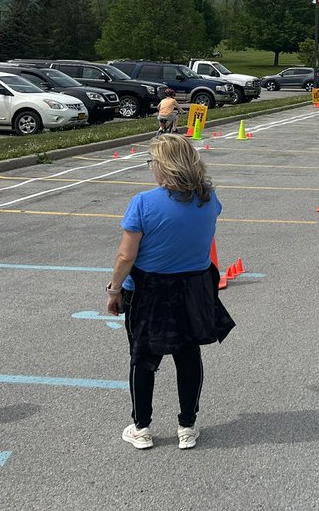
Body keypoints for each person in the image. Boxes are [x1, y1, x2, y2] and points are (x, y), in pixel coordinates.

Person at [107, 135, 235, 450]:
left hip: (152, 290)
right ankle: (187, 426)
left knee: (143, 357)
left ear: (163, 166)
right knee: (188, 354)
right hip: (195, 286)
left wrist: (114, 290)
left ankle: (141, 427)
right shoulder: (209, 198)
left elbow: (126, 256)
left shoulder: (143, 203)